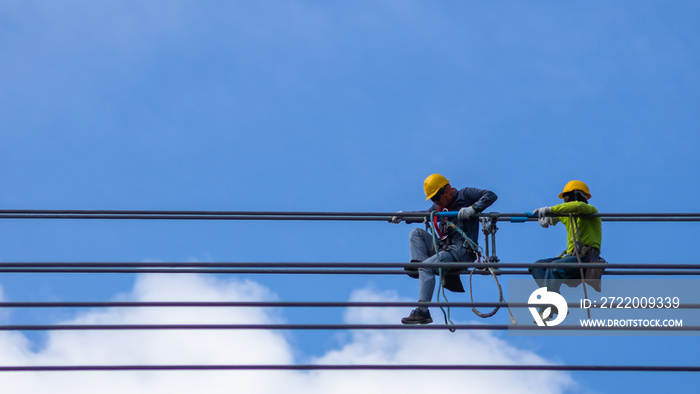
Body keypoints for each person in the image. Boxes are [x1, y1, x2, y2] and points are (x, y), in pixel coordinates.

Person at [391, 174, 498, 325]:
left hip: (462, 250)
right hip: (444, 248)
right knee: (416, 233)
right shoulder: (438, 207)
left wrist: (473, 209)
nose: (436, 202)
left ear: (447, 189)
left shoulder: (465, 195)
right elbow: (426, 215)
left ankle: (423, 311)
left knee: (426, 268)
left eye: (437, 197)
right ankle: (422, 267)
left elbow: (491, 195)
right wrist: (404, 216)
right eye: (433, 199)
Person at [529, 180, 604, 318]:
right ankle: (556, 302)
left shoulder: (591, 211)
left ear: (577, 195)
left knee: (554, 267)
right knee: (537, 266)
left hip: (586, 259)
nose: (565, 201)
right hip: (571, 258)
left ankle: (545, 310)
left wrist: (549, 210)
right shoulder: (568, 215)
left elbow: (577, 207)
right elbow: (560, 215)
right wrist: (547, 217)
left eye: (567, 197)